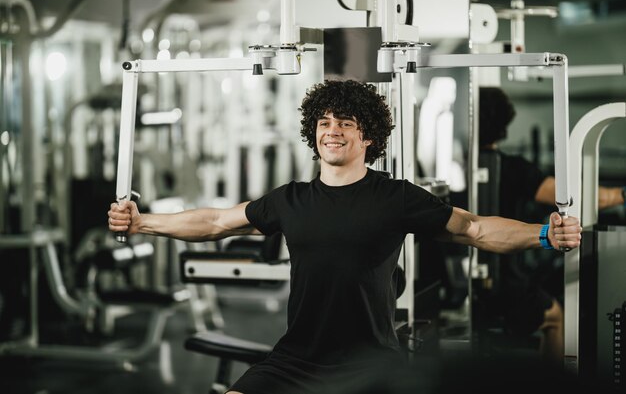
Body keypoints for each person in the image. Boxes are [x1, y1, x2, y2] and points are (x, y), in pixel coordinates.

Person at [108, 80, 582, 394]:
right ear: (313, 134)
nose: (332, 132)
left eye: (345, 123)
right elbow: (213, 223)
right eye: (324, 123)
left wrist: (545, 234)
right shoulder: (290, 199)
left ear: (368, 136)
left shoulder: (396, 197)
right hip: (294, 359)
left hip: (370, 365)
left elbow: (474, 228)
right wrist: (142, 221)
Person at [477, 86, 625, 364]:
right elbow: (574, 198)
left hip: (472, 284)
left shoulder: (457, 164)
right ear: (503, 123)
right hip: (503, 281)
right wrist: (622, 195)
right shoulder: (513, 168)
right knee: (556, 317)